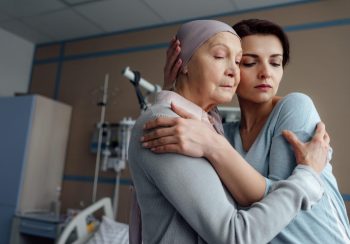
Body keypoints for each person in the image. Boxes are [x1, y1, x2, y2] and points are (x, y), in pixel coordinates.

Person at [141, 19, 350, 243]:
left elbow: (272, 197)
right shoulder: (223, 133)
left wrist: (214, 145)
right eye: (248, 62)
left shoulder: (294, 107)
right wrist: (176, 84)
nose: (265, 73)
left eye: (276, 63)